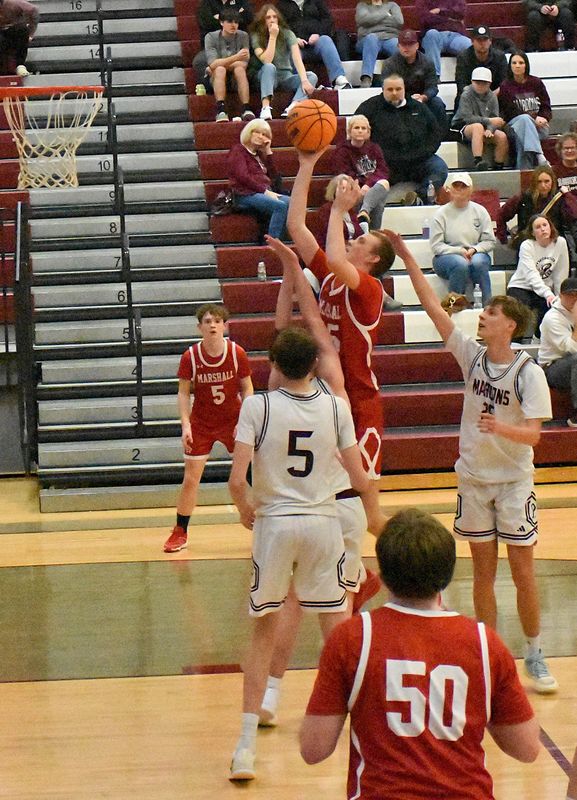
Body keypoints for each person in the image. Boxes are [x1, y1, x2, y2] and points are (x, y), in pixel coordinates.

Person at [393, 225, 559, 695]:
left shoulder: (529, 372)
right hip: (473, 480)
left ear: (510, 324)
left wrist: (499, 427)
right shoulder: (471, 357)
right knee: (482, 573)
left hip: (512, 482)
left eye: (489, 313)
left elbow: (534, 438)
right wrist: (408, 257)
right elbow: (432, 306)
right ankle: (492, 654)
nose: (481, 317)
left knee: (522, 571)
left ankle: (534, 652)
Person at [301, 507, 541, 799]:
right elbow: (527, 748)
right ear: (447, 572)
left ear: (383, 574)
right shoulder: (484, 643)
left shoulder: (352, 638)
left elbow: (314, 749)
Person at [228, 326, 369, 781]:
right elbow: (359, 475)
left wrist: (245, 509)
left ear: (272, 363)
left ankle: (245, 748)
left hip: (276, 524)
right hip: (324, 522)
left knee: (263, 632)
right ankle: (367, 734)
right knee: (340, 635)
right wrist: (375, 513)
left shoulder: (257, 406)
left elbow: (236, 480)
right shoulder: (336, 407)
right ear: (314, 365)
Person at [257, 234, 377, 729]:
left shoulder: (270, 393)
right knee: (337, 610)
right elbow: (311, 329)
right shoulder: (336, 393)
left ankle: (270, 694)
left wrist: (290, 274)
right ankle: (355, 695)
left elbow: (285, 329)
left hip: (293, 508)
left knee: (292, 604)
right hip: (338, 507)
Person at [288, 148, 397, 535]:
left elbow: (335, 258)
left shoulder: (368, 289)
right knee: (330, 505)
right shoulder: (335, 278)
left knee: (368, 514)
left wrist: (338, 211)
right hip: (325, 397)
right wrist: (306, 166)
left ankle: (411, 572)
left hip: (358, 404)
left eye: (363, 240)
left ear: (372, 259)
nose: (355, 239)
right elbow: (297, 229)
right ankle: (356, 576)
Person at [163, 304, 253, 553]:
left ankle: (265, 523)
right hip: (202, 422)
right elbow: (183, 393)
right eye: (207, 321)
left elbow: (247, 388)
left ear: (225, 326)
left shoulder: (237, 353)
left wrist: (245, 421)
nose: (212, 325)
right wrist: (185, 425)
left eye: (217, 321)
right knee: (191, 479)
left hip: (233, 421)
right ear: (199, 327)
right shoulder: (190, 357)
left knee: (254, 474)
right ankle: (180, 531)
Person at [355, 73, 448, 205]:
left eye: (398, 89)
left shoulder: (419, 107)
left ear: (404, 89)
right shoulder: (369, 107)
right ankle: (368, 210)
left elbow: (435, 133)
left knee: (439, 168)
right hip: (385, 164)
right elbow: (356, 133)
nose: (394, 93)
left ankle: (418, 198)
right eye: (390, 89)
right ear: (382, 89)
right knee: (366, 180)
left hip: (418, 161)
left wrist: (424, 153)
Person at [431, 172, 496, 305]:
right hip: (446, 257)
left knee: (478, 263)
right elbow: (436, 246)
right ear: (449, 189)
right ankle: (454, 305)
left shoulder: (480, 211)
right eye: (456, 186)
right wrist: (458, 251)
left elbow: (490, 241)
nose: (459, 189)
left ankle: (488, 304)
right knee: (460, 264)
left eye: (463, 186)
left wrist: (474, 249)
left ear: (471, 190)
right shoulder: (440, 214)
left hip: (476, 253)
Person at [249, 3, 318, 120]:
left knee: (311, 76)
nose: (272, 20)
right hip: (266, 77)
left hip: (286, 76)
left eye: (274, 17)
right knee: (269, 67)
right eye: (268, 17)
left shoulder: (287, 33)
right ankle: (265, 107)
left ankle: (294, 105)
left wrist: (304, 80)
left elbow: (297, 59)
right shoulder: (256, 35)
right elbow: (267, 60)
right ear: (262, 20)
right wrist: (272, 37)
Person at [507, 214, 569, 338]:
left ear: (550, 227)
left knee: (551, 311)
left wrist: (559, 298)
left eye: (545, 225)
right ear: (532, 232)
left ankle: (540, 340)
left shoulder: (560, 242)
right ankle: (515, 344)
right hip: (521, 286)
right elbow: (532, 276)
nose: (542, 229)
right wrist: (548, 294)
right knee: (519, 312)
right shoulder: (527, 245)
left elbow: (561, 274)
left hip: (544, 289)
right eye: (538, 227)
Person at [227, 117, 291, 239]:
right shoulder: (238, 150)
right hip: (245, 194)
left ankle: (283, 240)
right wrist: (265, 192)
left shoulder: (259, 154)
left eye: (264, 134)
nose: (260, 136)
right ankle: (273, 244)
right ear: (249, 132)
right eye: (257, 132)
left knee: (292, 202)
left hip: (262, 192)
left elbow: (274, 177)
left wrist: (268, 151)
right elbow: (242, 176)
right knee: (280, 206)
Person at [496, 165, 577, 253]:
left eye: (547, 181)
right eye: (539, 182)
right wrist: (503, 238)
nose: (543, 185)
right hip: (529, 245)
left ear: (553, 181)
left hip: (554, 244)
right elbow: (501, 214)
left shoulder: (560, 197)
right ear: (534, 182)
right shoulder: (523, 197)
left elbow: (574, 216)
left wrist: (568, 195)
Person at [380, 29, 447, 134]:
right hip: (397, 98)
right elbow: (386, 87)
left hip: (422, 98)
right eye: (403, 44)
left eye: (410, 44)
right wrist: (404, 98)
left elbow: (433, 87)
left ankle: (441, 136)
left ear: (417, 45)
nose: (406, 47)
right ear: (398, 46)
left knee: (438, 104)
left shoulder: (427, 62)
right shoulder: (390, 64)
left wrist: (423, 97)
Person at [276, 0, 352, 91]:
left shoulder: (316, 1)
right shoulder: (282, 5)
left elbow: (328, 20)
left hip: (316, 43)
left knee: (325, 40)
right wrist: (293, 39)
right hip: (296, 46)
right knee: (292, 50)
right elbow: (280, 27)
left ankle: (339, 79)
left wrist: (318, 34)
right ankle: (301, 83)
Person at [332, 114, 390, 231]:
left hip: (370, 188)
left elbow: (383, 170)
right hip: (353, 189)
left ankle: (364, 212)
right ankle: (374, 234)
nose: (360, 131)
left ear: (368, 132)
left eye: (363, 128)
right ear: (349, 131)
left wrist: (368, 185)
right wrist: (361, 186)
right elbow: (344, 173)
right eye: (356, 128)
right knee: (378, 200)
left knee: (384, 183)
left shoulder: (374, 148)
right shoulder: (342, 150)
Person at [498, 49, 552, 170]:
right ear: (510, 66)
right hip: (514, 125)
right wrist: (533, 119)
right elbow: (510, 112)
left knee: (522, 140)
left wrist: (544, 117)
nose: (517, 66)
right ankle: (539, 155)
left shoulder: (536, 82)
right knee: (524, 121)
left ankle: (524, 175)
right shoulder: (505, 86)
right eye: (514, 63)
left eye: (521, 63)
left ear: (526, 65)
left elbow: (546, 105)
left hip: (539, 127)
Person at [451, 66, 509, 171]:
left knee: (502, 136)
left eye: (484, 83)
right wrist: (489, 121)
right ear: (472, 82)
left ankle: (498, 165)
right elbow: (467, 117)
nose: (480, 86)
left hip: (484, 126)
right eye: (478, 82)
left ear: (489, 84)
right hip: (462, 126)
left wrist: (490, 129)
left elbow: (494, 117)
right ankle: (478, 160)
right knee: (477, 127)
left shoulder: (492, 96)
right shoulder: (466, 95)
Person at [538, 276, 577, 427]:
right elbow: (570, 349)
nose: (574, 299)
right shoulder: (552, 318)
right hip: (551, 368)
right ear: (561, 296)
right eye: (570, 295)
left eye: (576, 295)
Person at [203, 8, 254, 122]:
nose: (233, 25)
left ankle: (246, 108)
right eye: (230, 21)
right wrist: (236, 57)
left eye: (236, 22)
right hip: (217, 78)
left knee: (239, 69)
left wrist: (219, 64)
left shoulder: (243, 36)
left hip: (236, 77)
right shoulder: (210, 37)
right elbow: (213, 63)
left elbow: (244, 62)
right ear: (221, 22)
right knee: (220, 70)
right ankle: (221, 110)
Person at [193, 0, 254, 85]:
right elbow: (207, 23)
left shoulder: (242, 1)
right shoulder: (206, 3)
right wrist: (236, 16)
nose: (232, 23)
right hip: (214, 48)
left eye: (234, 21)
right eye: (226, 21)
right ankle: (209, 87)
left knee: (253, 60)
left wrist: (221, 19)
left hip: (238, 46)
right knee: (199, 61)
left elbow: (249, 17)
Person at [455, 25, 508, 109]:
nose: (482, 43)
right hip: (470, 98)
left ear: (490, 41)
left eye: (485, 39)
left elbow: (504, 83)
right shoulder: (463, 57)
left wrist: (491, 97)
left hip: (494, 97)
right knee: (460, 97)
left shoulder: (499, 57)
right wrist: (476, 99)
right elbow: (461, 84)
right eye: (479, 40)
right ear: (472, 41)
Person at [416, 0, 471, 79]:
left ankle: (471, 78)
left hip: (455, 35)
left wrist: (440, 11)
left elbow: (461, 13)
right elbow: (425, 19)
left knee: (471, 45)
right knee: (431, 34)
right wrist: (450, 18)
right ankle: (433, 78)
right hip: (435, 36)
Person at [355, 0, 403, 88]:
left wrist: (372, 20)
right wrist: (386, 14)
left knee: (398, 45)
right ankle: (366, 77)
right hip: (367, 39)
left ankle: (403, 79)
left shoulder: (392, 5)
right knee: (371, 38)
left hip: (389, 37)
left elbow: (399, 21)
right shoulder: (362, 6)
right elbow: (363, 20)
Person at [0, 0, 39, 76]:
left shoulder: (14, 3)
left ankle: (20, 65)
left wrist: (31, 34)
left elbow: (33, 10)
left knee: (22, 29)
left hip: (14, 29)